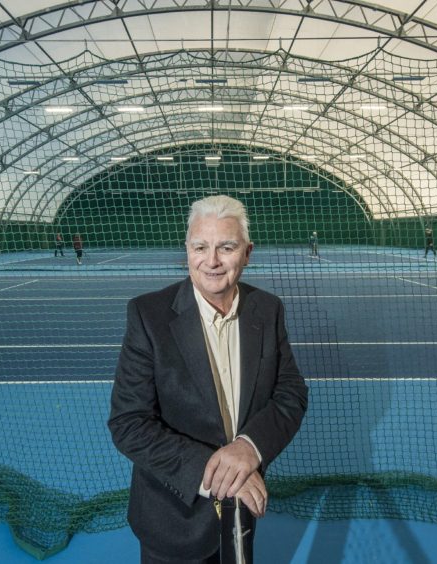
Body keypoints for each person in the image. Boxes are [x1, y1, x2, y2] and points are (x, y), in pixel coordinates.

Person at [109, 195, 308, 564]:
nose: (212, 261)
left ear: (247, 252)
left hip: (243, 511)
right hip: (174, 519)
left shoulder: (268, 309)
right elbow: (129, 423)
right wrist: (221, 474)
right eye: (200, 247)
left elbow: (290, 392)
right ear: (187, 250)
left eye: (226, 247)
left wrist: (250, 446)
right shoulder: (147, 315)